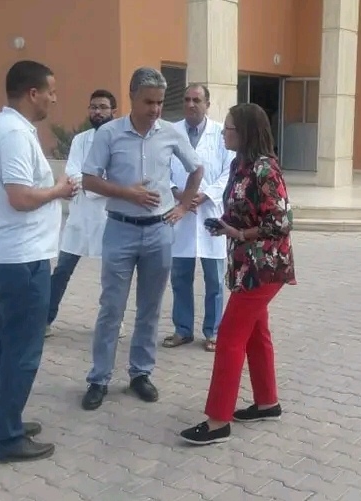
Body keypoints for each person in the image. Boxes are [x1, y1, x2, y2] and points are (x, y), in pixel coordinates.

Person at [79, 67, 204, 410]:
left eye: (160, 102)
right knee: (111, 308)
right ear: (132, 97)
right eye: (149, 102)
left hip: (158, 232)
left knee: (150, 308)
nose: (155, 109)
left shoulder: (170, 133)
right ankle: (99, 378)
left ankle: (140, 373)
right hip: (120, 229)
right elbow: (89, 179)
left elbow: (196, 168)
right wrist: (126, 193)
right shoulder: (109, 133)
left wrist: (183, 206)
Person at [0, 60, 78, 462]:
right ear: (32, 93)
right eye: (50, 91)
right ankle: (7, 439)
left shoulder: (1, 126)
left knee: (3, 344)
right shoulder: (15, 133)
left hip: (6, 255)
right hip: (21, 260)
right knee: (22, 350)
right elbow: (19, 197)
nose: (54, 98)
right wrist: (59, 190)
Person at [179, 103, 296, 445]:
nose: (223, 133)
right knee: (256, 333)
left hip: (265, 267)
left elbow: (281, 222)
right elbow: (244, 210)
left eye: (228, 128)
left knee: (229, 337)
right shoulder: (239, 165)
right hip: (246, 264)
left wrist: (240, 233)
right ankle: (267, 403)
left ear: (244, 132)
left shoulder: (265, 169)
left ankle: (218, 422)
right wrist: (225, 224)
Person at [164, 84, 235, 353]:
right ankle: (183, 330)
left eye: (197, 100)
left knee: (214, 280)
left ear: (207, 104)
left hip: (210, 213)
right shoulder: (170, 132)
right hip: (179, 213)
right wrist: (177, 193)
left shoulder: (221, 133)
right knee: (180, 278)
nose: (191, 104)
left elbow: (230, 171)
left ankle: (213, 331)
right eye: (186, 99)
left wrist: (205, 195)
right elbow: (161, 168)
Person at [46, 89, 117, 335]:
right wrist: (99, 184)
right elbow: (73, 173)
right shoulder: (80, 140)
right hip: (80, 217)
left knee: (111, 276)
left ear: (113, 111)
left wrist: (94, 184)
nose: (97, 112)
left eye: (103, 107)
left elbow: (119, 178)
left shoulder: (121, 140)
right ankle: (44, 320)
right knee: (62, 269)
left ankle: (111, 323)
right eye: (93, 107)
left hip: (109, 217)